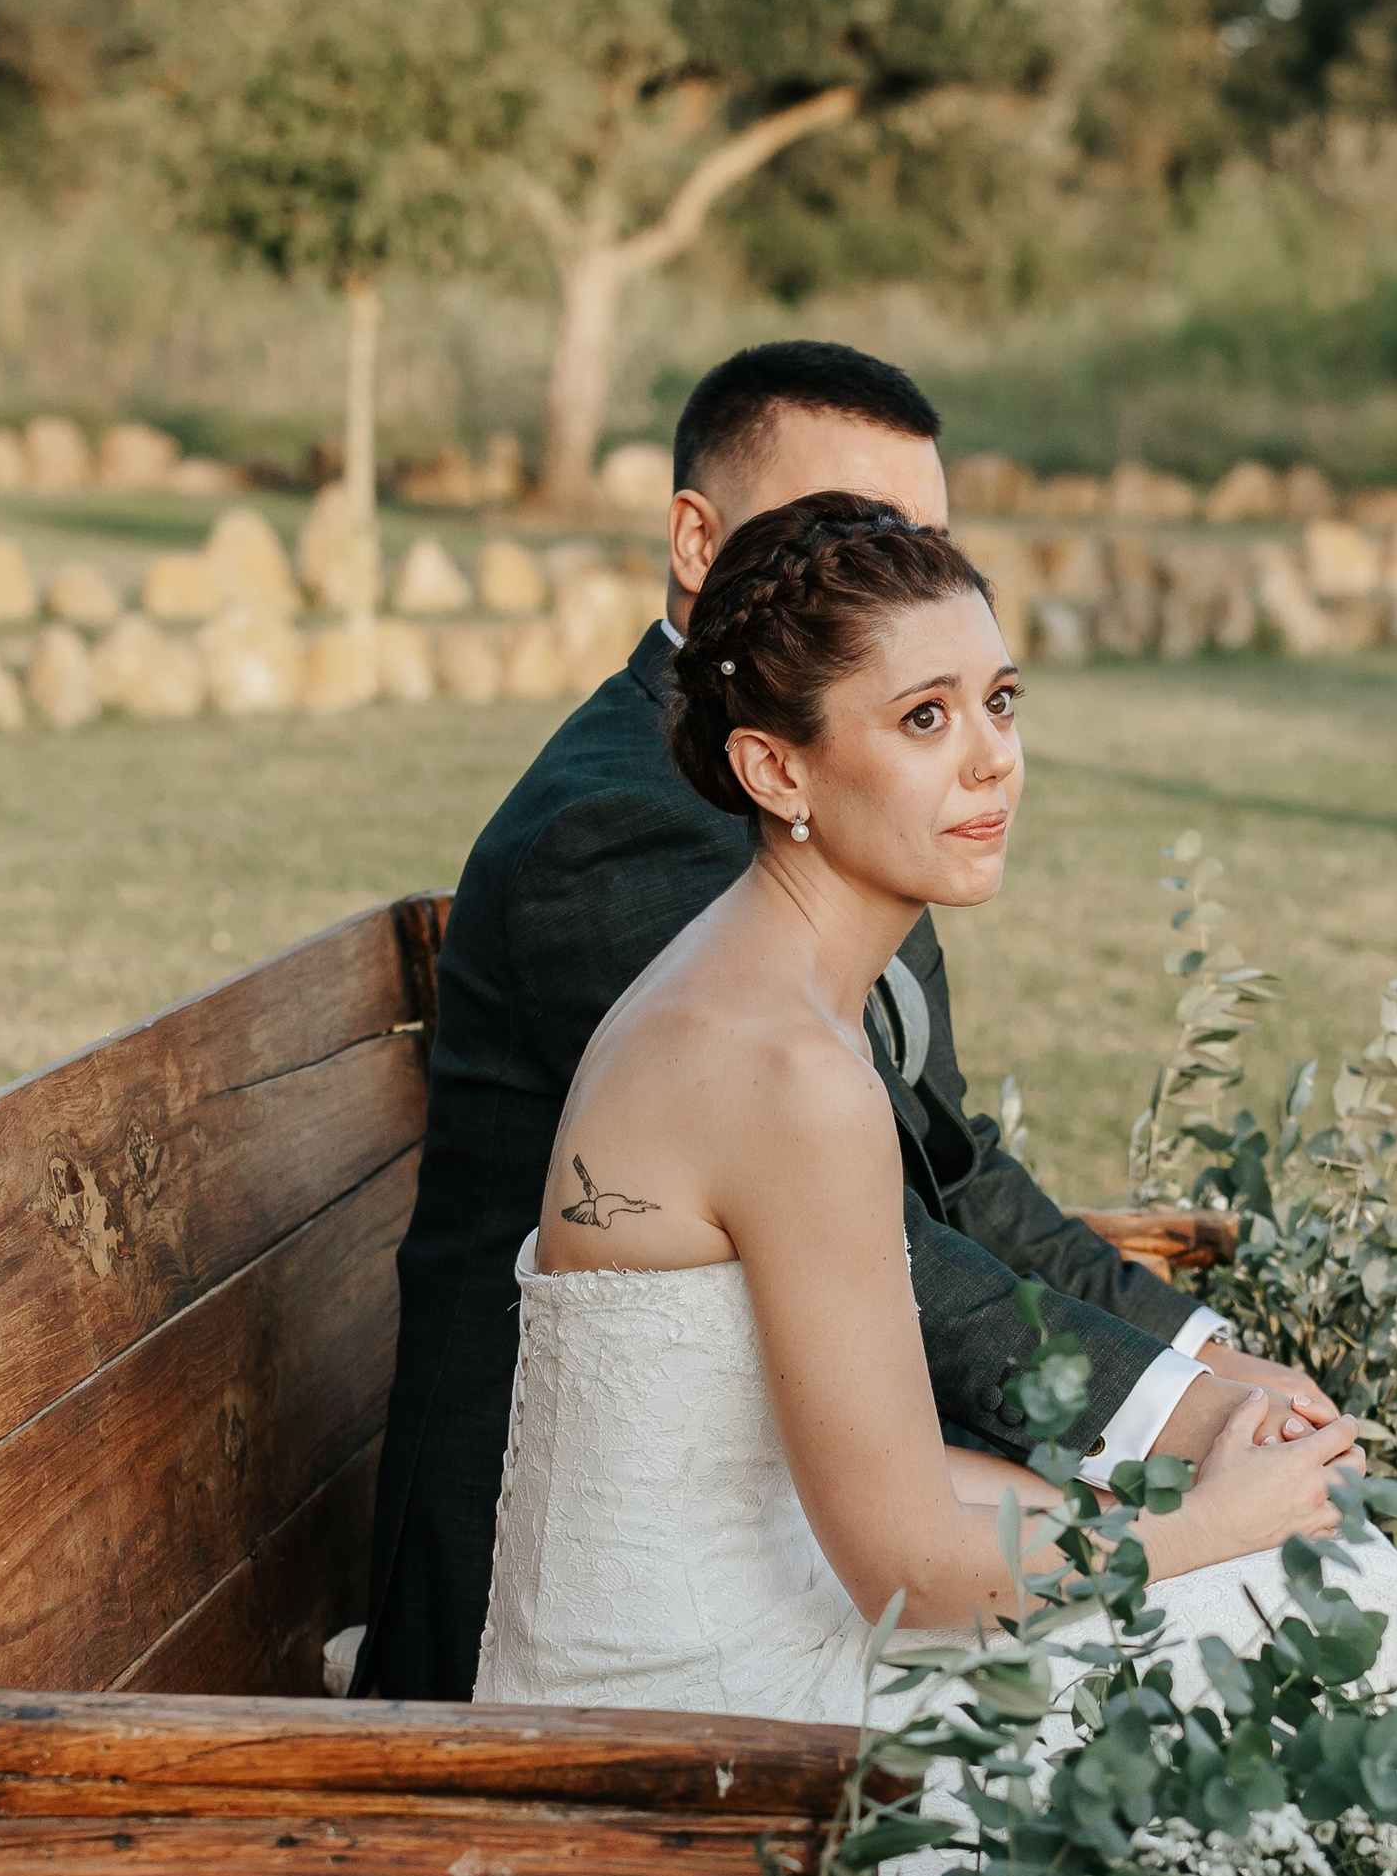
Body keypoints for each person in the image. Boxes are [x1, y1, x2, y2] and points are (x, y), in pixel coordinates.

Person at [357, 340, 1328, 1703]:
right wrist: (1185, 1453)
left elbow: (949, 1165)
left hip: (785, 1526)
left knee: (1287, 1622)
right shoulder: (654, 829)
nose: (892, 581)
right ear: (700, 539)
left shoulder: (849, 814)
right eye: (844, 533)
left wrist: (1201, 1368)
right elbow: (891, 1260)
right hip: (608, 1629)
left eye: (917, 539)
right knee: (1271, 1648)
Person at [473, 494, 1397, 1725]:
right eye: (925, 717)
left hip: (733, 1607)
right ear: (774, 766)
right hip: (680, 1706)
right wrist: (1210, 1517)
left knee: (1300, 1587)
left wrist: (1160, 1503)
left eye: (999, 701)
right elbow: (909, 1573)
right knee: (1310, 1609)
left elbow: (889, 1480)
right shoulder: (784, 1069)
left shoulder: (765, 985)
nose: (990, 757)